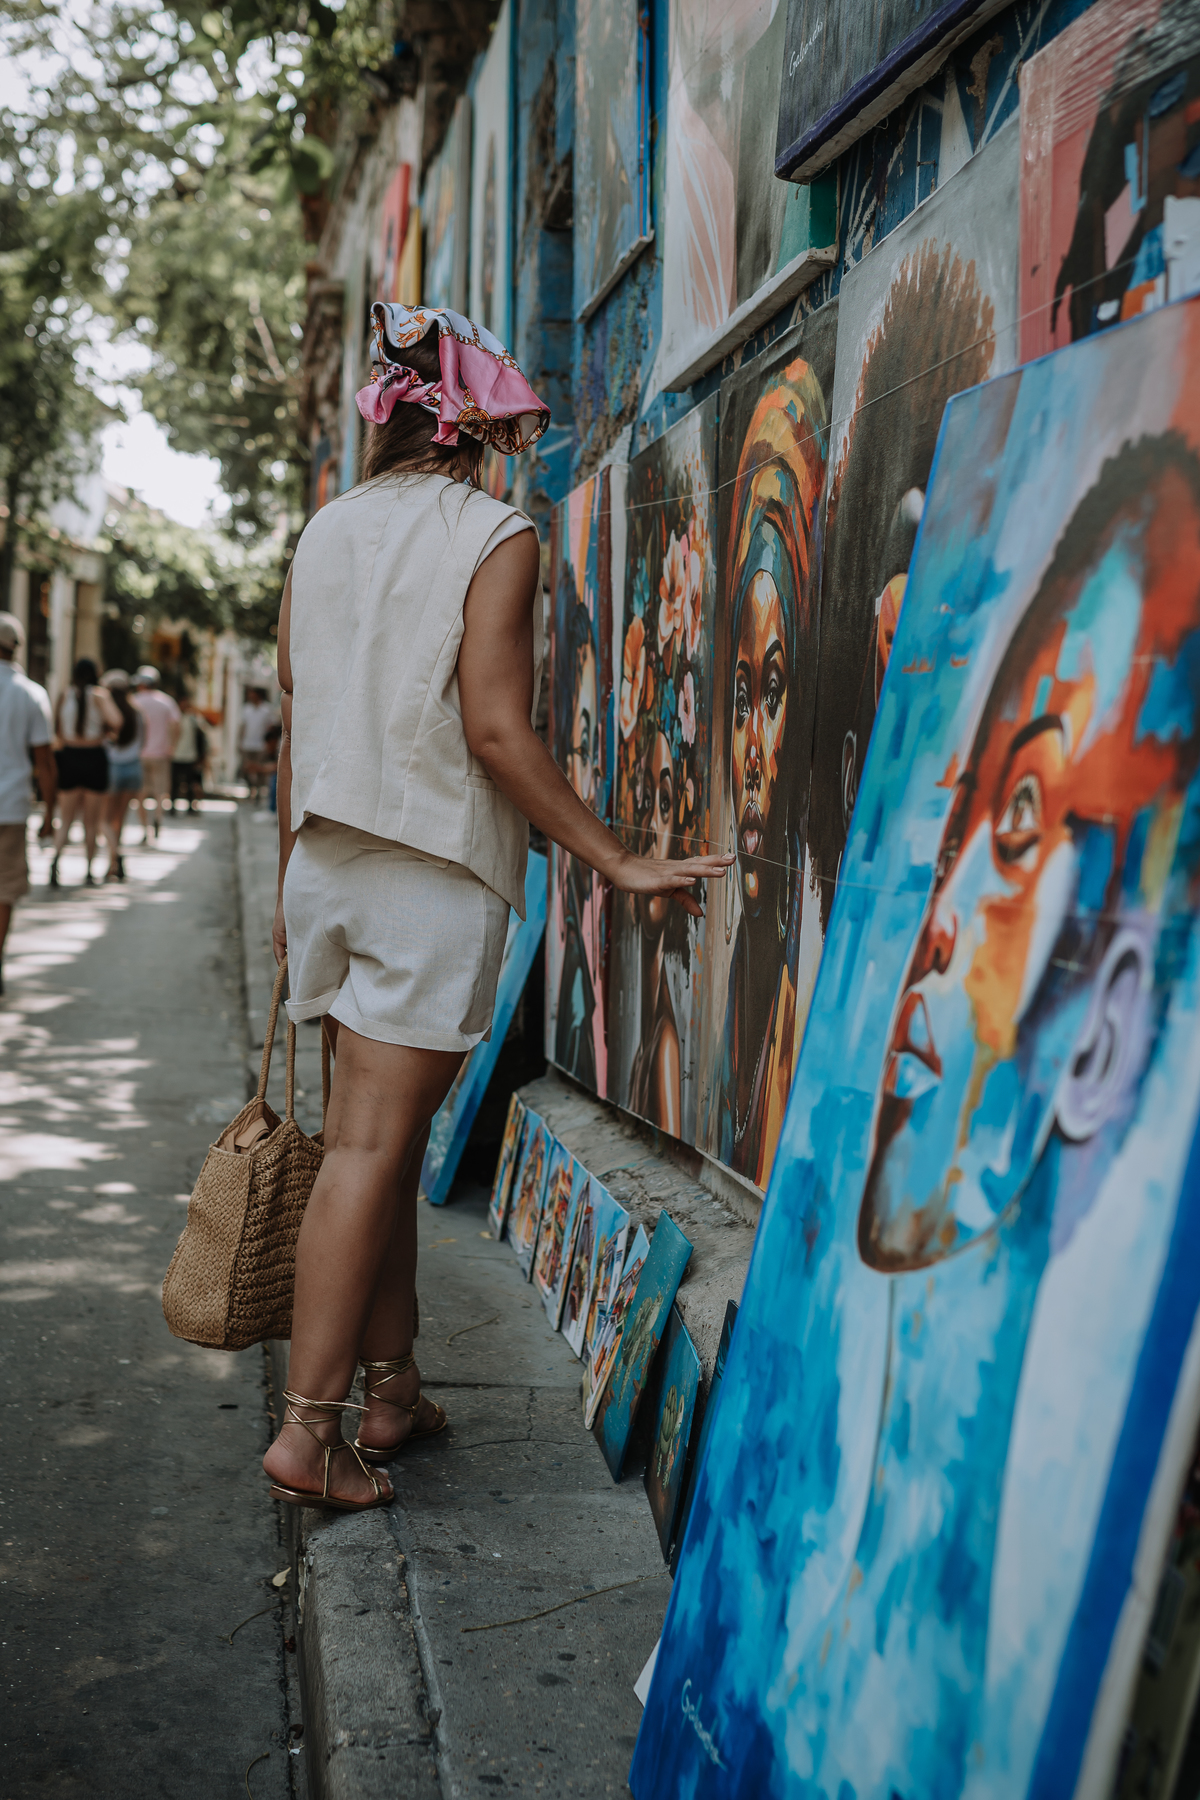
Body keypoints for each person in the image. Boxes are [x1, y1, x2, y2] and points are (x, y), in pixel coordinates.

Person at [262, 301, 731, 1512]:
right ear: (477, 428)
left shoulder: (325, 529)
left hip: (326, 867)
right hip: (424, 873)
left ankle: (391, 1389)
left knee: (372, 1149)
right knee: (368, 1154)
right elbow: (494, 730)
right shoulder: (495, 533)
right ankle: (309, 1436)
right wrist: (615, 858)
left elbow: (297, 713)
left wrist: (286, 882)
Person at [715, 365, 826, 1186]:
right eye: (743, 692)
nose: (753, 747)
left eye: (777, 689)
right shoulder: (732, 1005)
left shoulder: (810, 1007)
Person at [0, 612, 56, 996]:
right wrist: (49, 813)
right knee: (4, 890)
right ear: (16, 647)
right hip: (10, 805)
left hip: (12, 804)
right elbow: (45, 762)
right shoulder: (31, 693)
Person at [49, 657, 122, 888]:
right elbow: (117, 721)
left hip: (69, 756)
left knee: (66, 818)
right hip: (94, 757)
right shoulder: (100, 695)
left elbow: (57, 729)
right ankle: (89, 870)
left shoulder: (65, 695)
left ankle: (55, 860)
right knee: (91, 821)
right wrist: (104, 731)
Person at [100, 669, 143, 882]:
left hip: (113, 768)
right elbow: (143, 742)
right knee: (120, 819)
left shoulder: (108, 713)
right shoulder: (137, 712)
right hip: (134, 767)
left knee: (105, 819)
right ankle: (113, 864)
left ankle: (115, 856)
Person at [131, 666, 180, 839]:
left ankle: (145, 829)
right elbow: (176, 726)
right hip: (161, 754)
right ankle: (158, 817)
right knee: (161, 792)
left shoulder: (134, 701)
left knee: (140, 794)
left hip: (139, 755)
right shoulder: (167, 702)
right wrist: (172, 747)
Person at [240, 686, 276, 799]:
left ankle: (258, 790)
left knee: (260, 768)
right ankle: (251, 788)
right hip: (247, 744)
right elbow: (243, 726)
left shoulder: (266, 709)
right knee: (246, 768)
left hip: (261, 745)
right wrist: (240, 741)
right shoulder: (246, 709)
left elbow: (270, 726)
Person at [170, 701, 206, 812]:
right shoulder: (176, 718)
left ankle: (189, 806)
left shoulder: (193, 719)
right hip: (177, 755)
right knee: (176, 783)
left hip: (189, 756)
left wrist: (201, 755)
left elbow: (201, 737)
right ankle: (173, 806)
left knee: (189, 783)